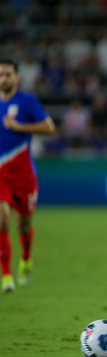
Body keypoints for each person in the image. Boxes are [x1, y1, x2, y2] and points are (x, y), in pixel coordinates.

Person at [0, 58, 55, 293]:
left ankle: (26, 257)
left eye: (8, 74)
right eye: (0, 75)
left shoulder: (27, 101)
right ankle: (6, 275)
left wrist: (19, 127)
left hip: (23, 174)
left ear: (17, 78)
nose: (3, 79)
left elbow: (49, 127)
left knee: (23, 225)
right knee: (2, 219)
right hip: (1, 173)